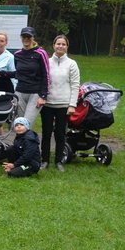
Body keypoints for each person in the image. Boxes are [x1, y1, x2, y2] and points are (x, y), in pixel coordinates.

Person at [41, 34, 80, 171]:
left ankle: (58, 161)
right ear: (53, 45)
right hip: (48, 104)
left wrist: (72, 104)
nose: (60, 46)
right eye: (58, 44)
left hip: (64, 105)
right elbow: (42, 81)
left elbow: (75, 85)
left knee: (60, 133)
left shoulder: (72, 64)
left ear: (67, 47)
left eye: (63, 44)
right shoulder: (47, 62)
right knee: (46, 133)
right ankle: (44, 160)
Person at [13, 26, 49, 126]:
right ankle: (20, 142)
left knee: (26, 124)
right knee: (18, 124)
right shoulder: (17, 54)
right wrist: (2, 73)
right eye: (24, 36)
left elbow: (46, 75)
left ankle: (30, 141)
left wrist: (43, 96)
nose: (26, 39)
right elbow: (18, 73)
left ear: (33, 38)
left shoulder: (41, 53)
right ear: (21, 37)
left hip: (35, 94)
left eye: (29, 37)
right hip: (20, 92)